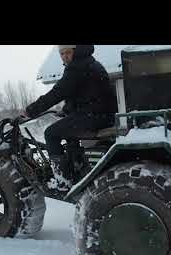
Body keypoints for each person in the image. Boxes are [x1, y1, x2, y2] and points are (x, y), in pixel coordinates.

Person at [25, 45, 118, 190]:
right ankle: (76, 167)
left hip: (94, 116)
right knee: (68, 131)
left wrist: (30, 111)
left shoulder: (77, 67)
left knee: (50, 134)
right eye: (62, 53)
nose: (65, 56)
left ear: (76, 51)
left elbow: (58, 93)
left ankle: (63, 181)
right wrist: (66, 111)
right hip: (102, 115)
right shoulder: (90, 63)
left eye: (68, 52)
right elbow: (81, 95)